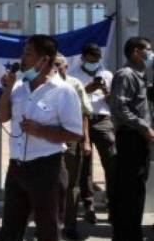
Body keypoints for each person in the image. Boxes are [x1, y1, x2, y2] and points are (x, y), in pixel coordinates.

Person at [0, 35, 83, 241]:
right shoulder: (19, 87)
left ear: (45, 60)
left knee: (48, 232)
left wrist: (41, 130)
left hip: (47, 170)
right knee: (9, 231)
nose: (22, 58)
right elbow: (3, 117)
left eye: (28, 53)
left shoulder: (64, 91)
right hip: (17, 168)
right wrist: (7, 90)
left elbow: (75, 133)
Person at [109, 37, 154, 241]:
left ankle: (132, 233)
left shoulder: (141, 76)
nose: (151, 54)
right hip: (130, 138)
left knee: (136, 189)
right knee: (129, 190)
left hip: (140, 138)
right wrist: (144, 127)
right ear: (136, 52)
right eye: (148, 50)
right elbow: (120, 108)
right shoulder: (126, 75)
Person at [69, 42, 115, 224]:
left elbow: (114, 102)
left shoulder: (107, 75)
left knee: (111, 162)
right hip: (82, 119)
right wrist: (86, 90)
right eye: (91, 58)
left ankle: (112, 204)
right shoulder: (73, 75)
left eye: (97, 58)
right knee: (84, 166)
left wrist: (106, 93)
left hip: (103, 120)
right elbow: (71, 99)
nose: (94, 61)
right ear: (83, 57)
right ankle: (89, 205)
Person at [54, 53, 92, 240]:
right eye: (52, 64)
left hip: (70, 139)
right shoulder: (43, 85)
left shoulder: (75, 84)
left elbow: (85, 113)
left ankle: (69, 226)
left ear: (66, 66)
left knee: (71, 185)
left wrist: (86, 140)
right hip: (49, 139)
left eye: (58, 64)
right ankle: (50, 225)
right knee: (50, 184)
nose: (55, 68)